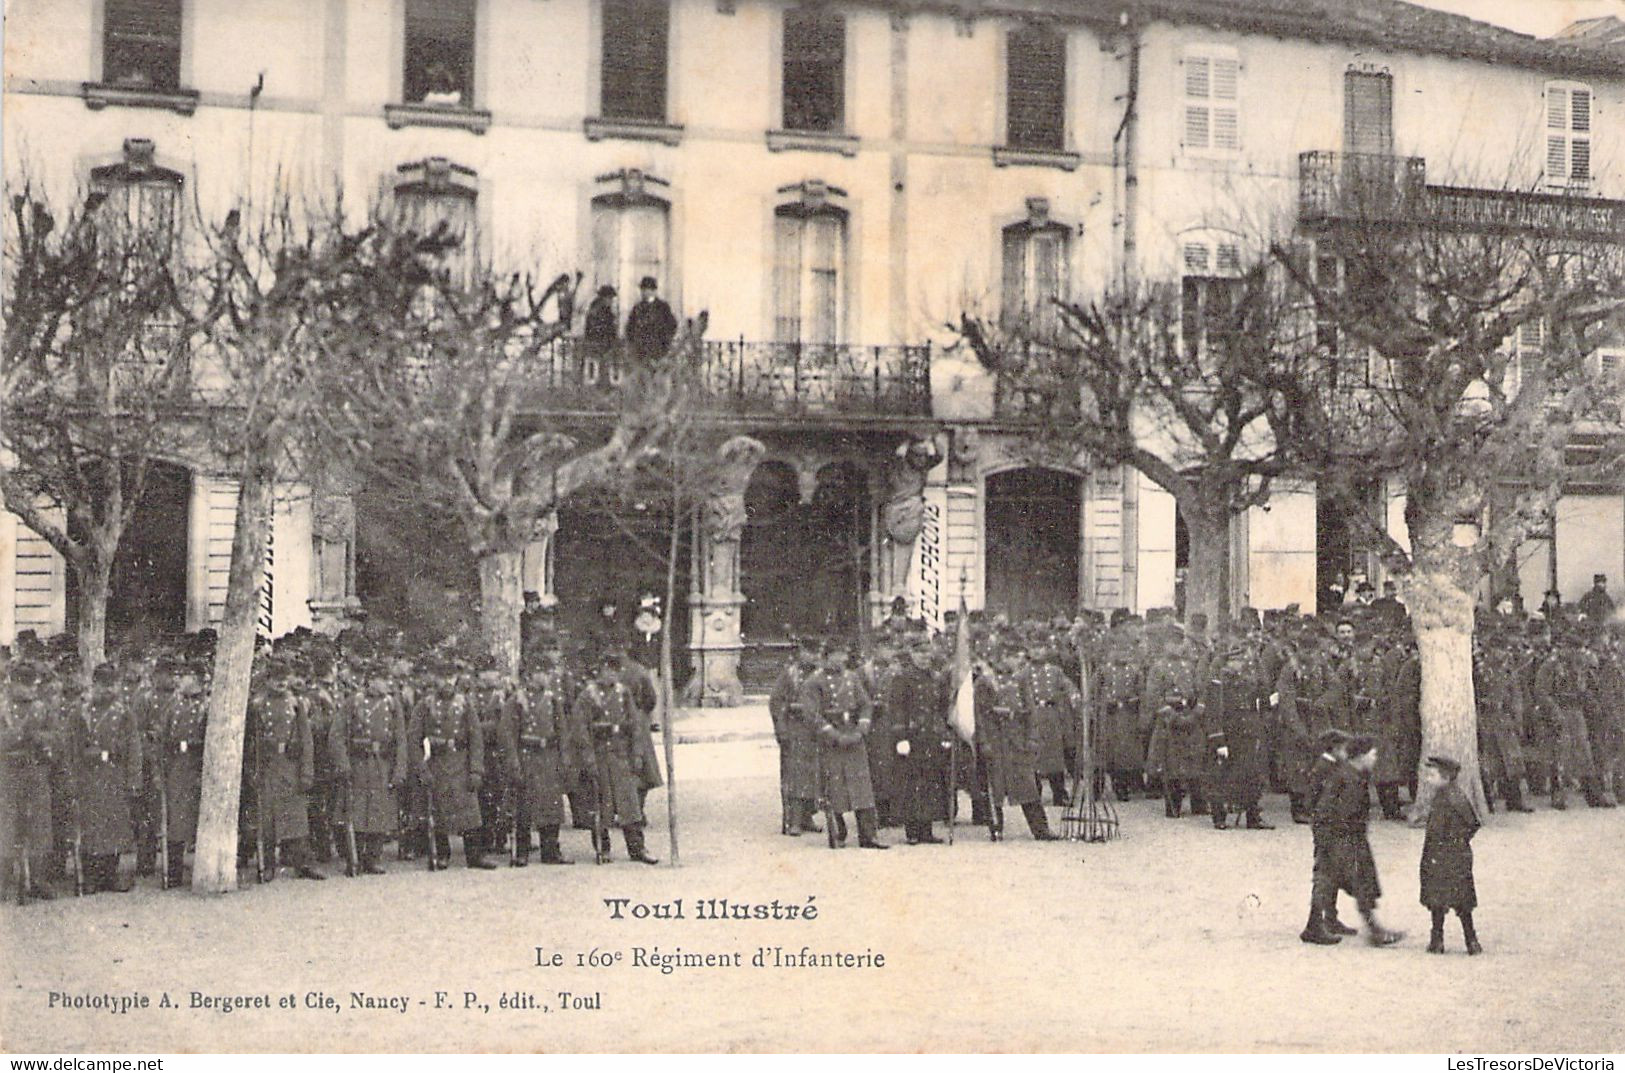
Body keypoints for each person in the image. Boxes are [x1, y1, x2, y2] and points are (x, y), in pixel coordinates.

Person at [1310, 735, 1404, 947]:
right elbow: (1340, 812)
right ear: (1361, 756)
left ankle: (1316, 926)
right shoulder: (1349, 778)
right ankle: (1373, 931)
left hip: (1342, 837)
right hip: (1342, 838)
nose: (1375, 757)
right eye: (1372, 753)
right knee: (1352, 882)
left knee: (1332, 880)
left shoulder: (1351, 774)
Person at [574, 650, 661, 864]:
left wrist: (637, 754)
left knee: (630, 804)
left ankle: (637, 849)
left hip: (621, 755)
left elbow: (635, 726)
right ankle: (603, 849)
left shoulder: (623, 693)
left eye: (614, 670)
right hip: (600, 754)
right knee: (601, 805)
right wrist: (588, 760)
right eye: (607, 670)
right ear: (599, 671)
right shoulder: (587, 696)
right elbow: (581, 730)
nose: (611, 675)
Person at [1419, 755, 1483, 955]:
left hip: (1439, 854)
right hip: (1458, 855)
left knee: (1437, 899)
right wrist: (1461, 841)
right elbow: (1473, 823)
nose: (1428, 778)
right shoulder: (1458, 796)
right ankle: (1471, 940)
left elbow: (1435, 830)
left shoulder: (1443, 799)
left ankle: (1437, 939)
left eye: (1432, 774)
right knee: (1462, 900)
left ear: (1445, 777)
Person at [624, 276, 677, 365]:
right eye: (642, 289)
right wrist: (633, 343)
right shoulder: (638, 307)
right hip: (640, 352)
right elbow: (630, 327)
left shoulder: (663, 307)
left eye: (645, 289)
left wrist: (665, 341)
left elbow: (672, 325)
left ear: (653, 291)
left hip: (658, 351)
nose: (643, 292)